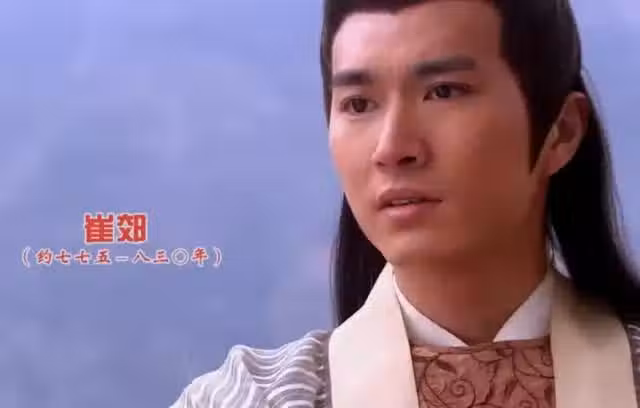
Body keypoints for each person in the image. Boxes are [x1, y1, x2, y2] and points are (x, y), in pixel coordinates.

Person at [170, 0, 640, 406]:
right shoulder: (251, 398)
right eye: (359, 104)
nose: (392, 148)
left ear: (561, 132)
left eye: (444, 91)